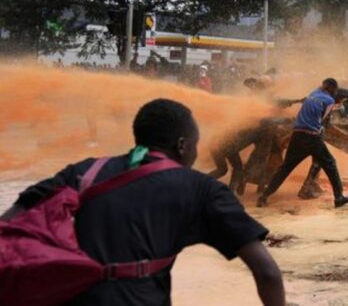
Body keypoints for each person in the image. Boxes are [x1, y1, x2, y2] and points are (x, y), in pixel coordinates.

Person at [0, 99, 285, 305]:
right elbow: (268, 272)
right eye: (195, 146)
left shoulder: (85, 171)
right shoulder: (202, 189)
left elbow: (11, 222)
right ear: (183, 145)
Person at [257, 78, 348, 208]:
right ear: (332, 89)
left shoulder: (312, 93)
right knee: (330, 164)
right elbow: (322, 120)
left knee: (285, 168)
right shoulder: (329, 101)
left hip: (297, 136)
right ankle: (339, 197)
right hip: (312, 138)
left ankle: (264, 196)